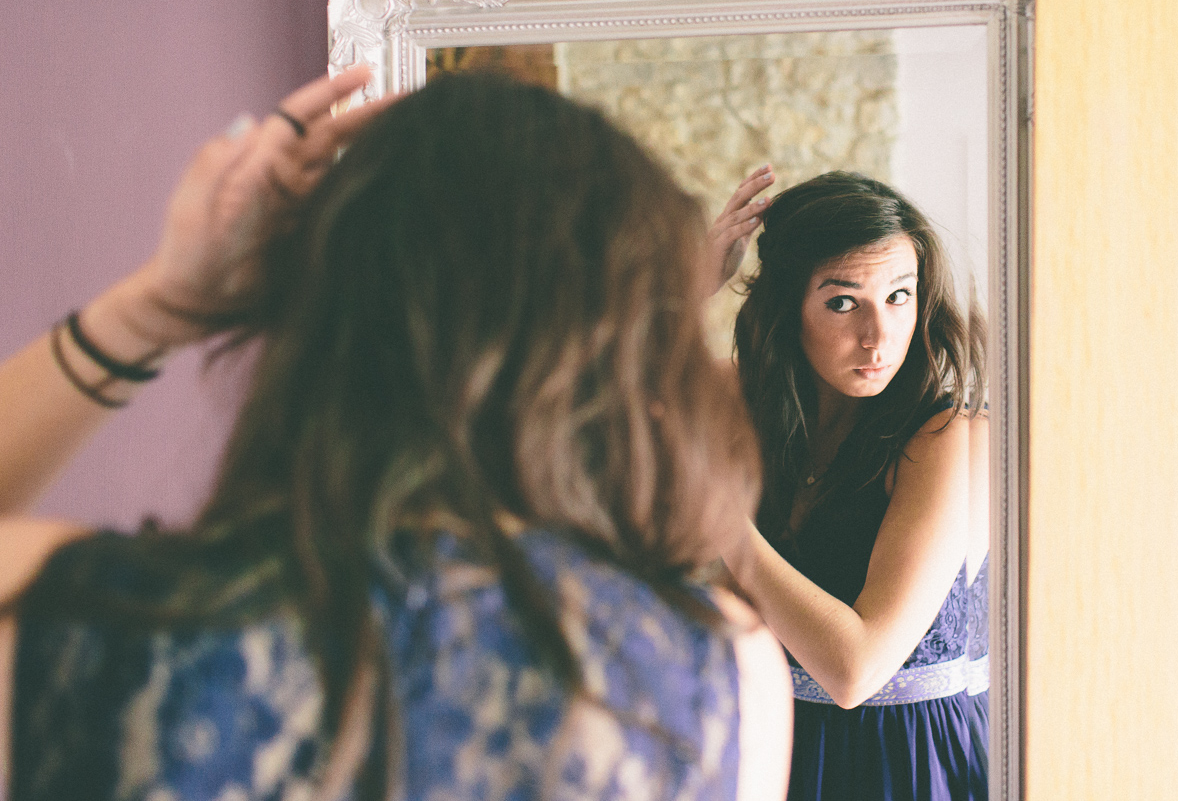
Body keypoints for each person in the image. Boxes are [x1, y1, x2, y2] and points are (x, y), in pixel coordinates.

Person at [0, 68, 792, 801]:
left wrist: (155, 308)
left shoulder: (110, 623)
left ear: (324, 321)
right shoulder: (719, 671)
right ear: (627, 353)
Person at [712, 169, 985, 801]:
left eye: (899, 296)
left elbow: (854, 669)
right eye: (843, 302)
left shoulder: (946, 436)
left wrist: (720, 518)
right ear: (788, 310)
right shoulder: (745, 403)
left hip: (907, 768)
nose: (879, 336)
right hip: (774, 752)